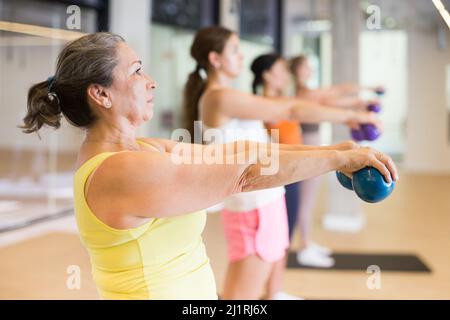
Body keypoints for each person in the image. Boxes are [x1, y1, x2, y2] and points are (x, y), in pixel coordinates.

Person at [21, 32, 397, 300]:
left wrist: (338, 148)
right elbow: (244, 173)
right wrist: (337, 159)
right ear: (100, 94)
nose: (150, 82)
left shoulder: (142, 148)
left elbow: (241, 153)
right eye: (136, 71)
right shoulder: (117, 172)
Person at [182, 26, 390, 300]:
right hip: (252, 210)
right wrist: (352, 116)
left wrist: (336, 149)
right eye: (234, 49)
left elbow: (272, 147)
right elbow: (289, 109)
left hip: (264, 202)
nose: (241, 55)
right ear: (215, 59)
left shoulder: (227, 95)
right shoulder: (220, 97)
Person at [290, 54, 383, 267]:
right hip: (307, 143)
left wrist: (360, 103)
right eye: (304, 67)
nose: (309, 70)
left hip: (312, 142)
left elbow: (333, 102)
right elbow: (338, 92)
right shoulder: (306, 93)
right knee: (307, 198)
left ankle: (306, 242)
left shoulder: (309, 93)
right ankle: (304, 247)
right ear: (296, 71)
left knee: (310, 198)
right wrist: (368, 89)